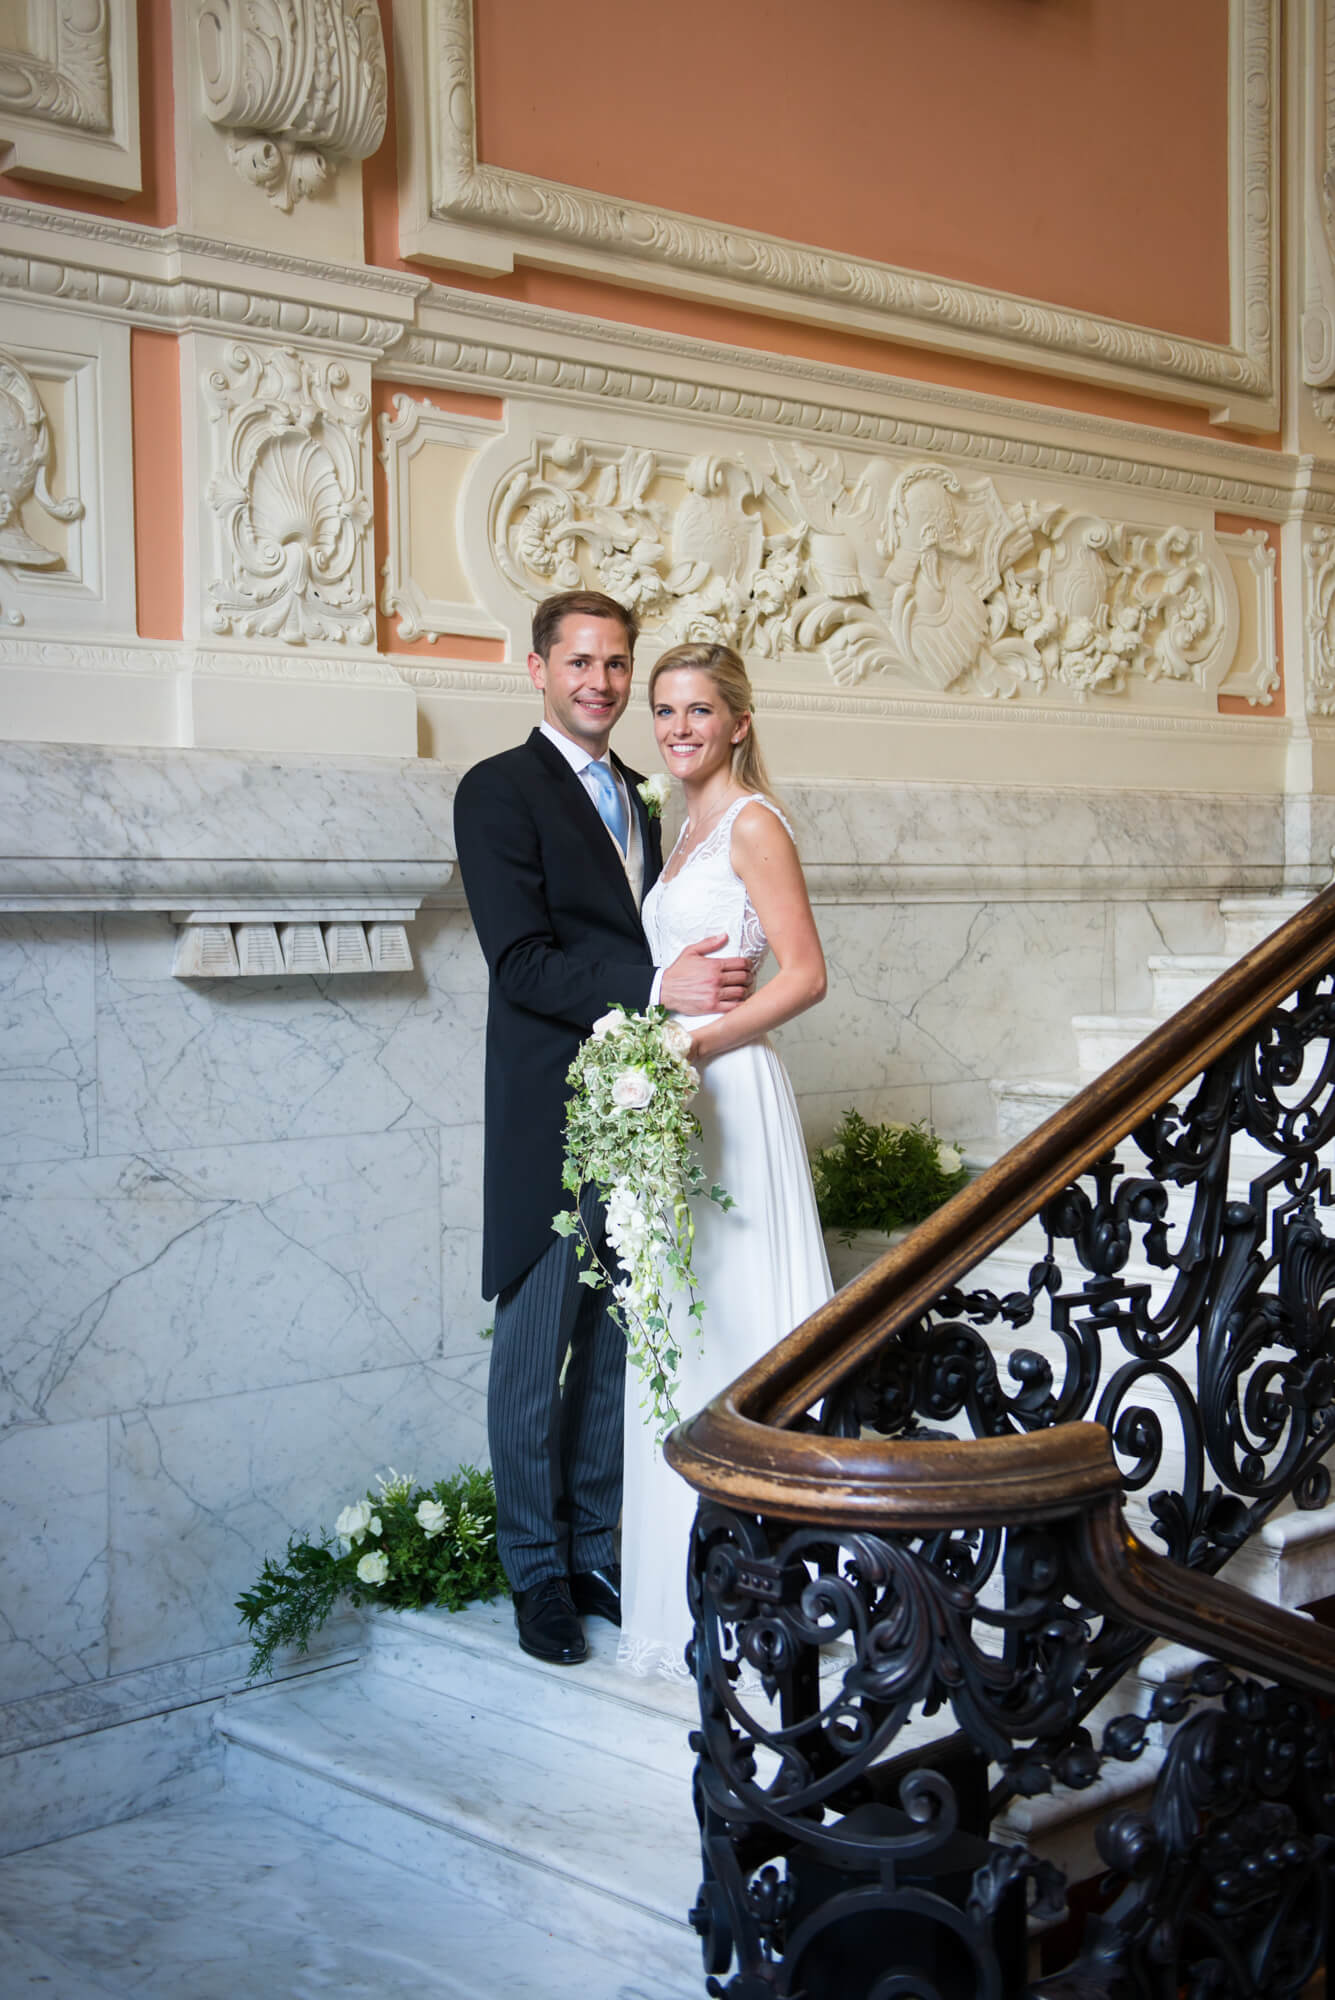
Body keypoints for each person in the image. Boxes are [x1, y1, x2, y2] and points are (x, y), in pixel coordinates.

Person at [453, 591, 754, 1667]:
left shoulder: (643, 793)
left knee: (623, 1346)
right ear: (536, 668)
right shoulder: (497, 788)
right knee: (537, 1350)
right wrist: (657, 982)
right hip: (552, 1112)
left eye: (616, 662)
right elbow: (523, 961)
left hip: (645, 1106)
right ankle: (535, 1572)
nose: (601, 681)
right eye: (580, 660)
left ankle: (593, 1549)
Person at [617, 641, 834, 1682]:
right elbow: (676, 970)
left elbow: (806, 974)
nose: (678, 728)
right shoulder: (678, 824)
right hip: (679, 1098)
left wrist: (699, 1041)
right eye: (665, 710)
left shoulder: (751, 824)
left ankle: (773, 1588)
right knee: (683, 1323)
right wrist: (660, 1025)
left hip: (733, 1095)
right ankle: (690, 1594)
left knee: (741, 1321)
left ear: (738, 721)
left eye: (699, 710)